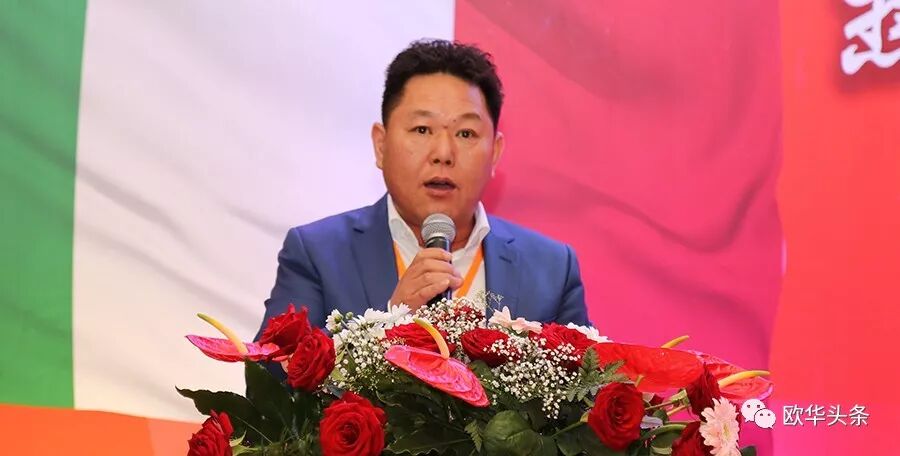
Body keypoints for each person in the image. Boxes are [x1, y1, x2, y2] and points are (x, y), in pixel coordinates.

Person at [256, 39, 589, 337]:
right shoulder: (317, 253)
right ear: (381, 145)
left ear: (495, 153)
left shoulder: (552, 268)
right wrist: (389, 325)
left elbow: (590, 384)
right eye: (421, 129)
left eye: (466, 134)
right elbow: (270, 378)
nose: (443, 153)